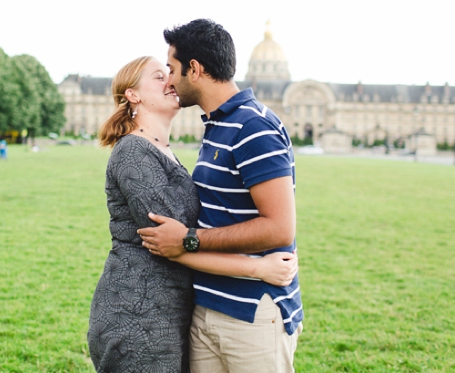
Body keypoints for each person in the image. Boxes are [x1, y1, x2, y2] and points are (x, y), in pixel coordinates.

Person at [88, 56, 298, 373]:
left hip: (167, 309)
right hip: (139, 311)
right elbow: (172, 244)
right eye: (160, 76)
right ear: (133, 95)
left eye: (170, 73)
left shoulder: (163, 148)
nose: (171, 82)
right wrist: (259, 269)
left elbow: (183, 238)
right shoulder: (134, 151)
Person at [138, 19, 304, 373]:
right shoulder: (218, 125)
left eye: (171, 69)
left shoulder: (254, 126)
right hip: (207, 306)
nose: (168, 80)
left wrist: (189, 241)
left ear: (194, 70)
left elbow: (279, 229)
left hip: (253, 314)